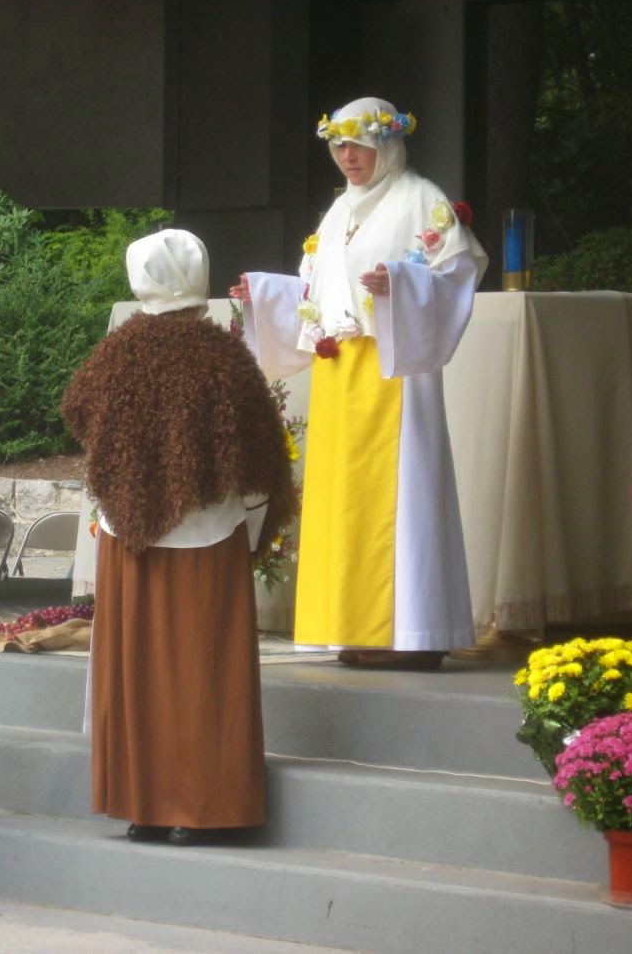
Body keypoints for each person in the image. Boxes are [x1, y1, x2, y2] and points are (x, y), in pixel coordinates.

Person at [230, 96, 488, 669]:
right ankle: (352, 625)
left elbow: (458, 269)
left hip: (394, 368)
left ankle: (409, 632)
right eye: (339, 146)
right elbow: (318, 289)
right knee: (344, 503)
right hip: (341, 368)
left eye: (359, 145)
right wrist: (265, 295)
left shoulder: (422, 199)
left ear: (387, 145)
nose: (348, 156)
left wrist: (398, 282)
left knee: (400, 495)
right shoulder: (339, 211)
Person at [61, 229, 297, 845]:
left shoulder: (116, 353)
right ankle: (205, 808)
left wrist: (133, 473)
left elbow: (77, 410)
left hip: (129, 537)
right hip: (209, 536)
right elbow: (259, 451)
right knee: (203, 670)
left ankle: (144, 806)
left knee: (138, 671)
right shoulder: (223, 356)